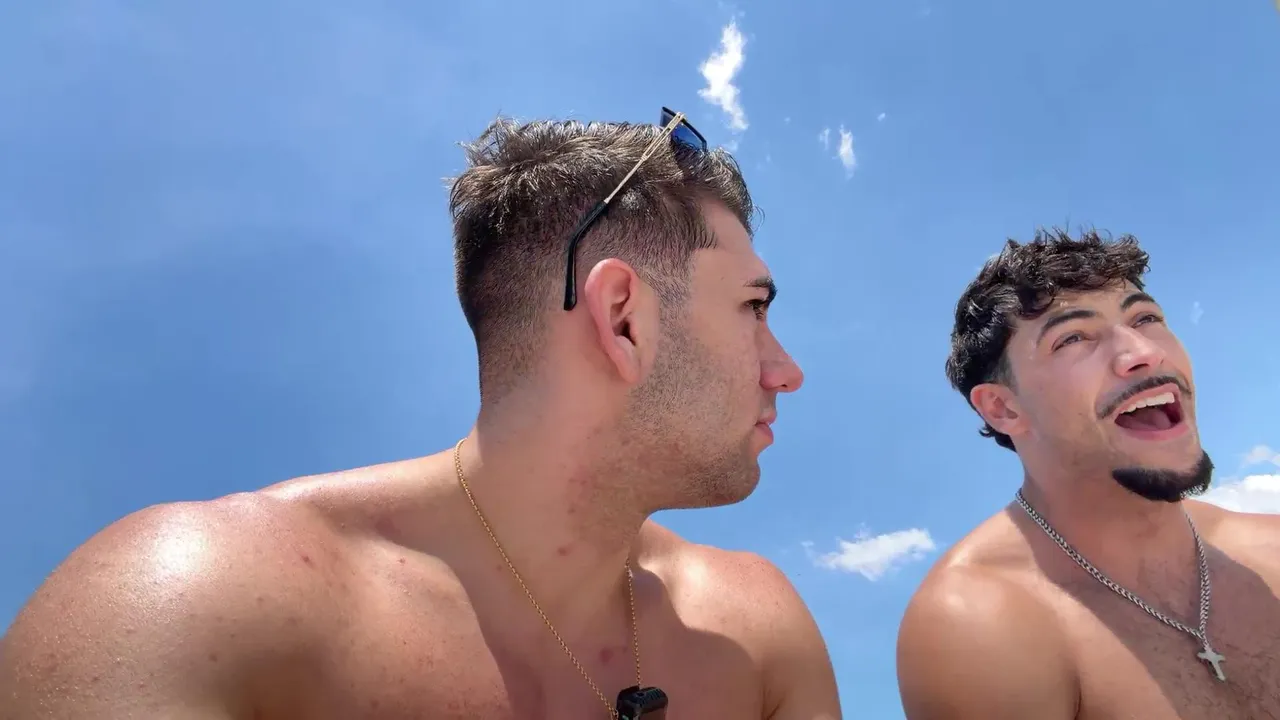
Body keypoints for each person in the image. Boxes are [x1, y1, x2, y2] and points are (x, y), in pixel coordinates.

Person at [0, 109, 841, 719]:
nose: (787, 370)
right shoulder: (198, 604)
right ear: (623, 319)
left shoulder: (757, 632)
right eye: (753, 308)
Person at [895, 228, 1280, 719]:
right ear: (1004, 409)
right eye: (1073, 337)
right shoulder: (984, 621)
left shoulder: (1271, 548)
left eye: (1145, 318)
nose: (1143, 351)